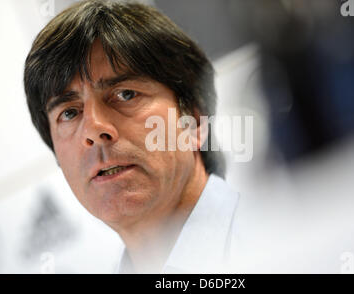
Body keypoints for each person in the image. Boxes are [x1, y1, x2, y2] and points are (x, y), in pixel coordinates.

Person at [24, 0, 240, 274]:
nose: (94, 130)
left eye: (126, 94)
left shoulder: (282, 235)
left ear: (195, 122)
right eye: (69, 113)